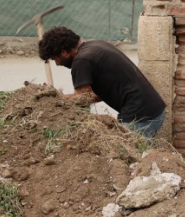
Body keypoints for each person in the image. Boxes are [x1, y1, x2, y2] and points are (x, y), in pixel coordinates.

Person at [38, 26, 166, 138]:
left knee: (124, 159)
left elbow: (82, 99)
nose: (57, 64)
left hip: (140, 118)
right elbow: (96, 95)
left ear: (64, 52)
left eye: (55, 59)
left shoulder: (82, 61)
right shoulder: (96, 45)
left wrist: (55, 97)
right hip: (153, 112)